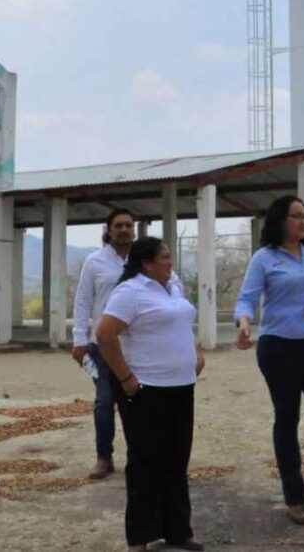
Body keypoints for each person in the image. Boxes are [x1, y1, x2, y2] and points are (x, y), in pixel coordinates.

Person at [234, 195, 304, 527]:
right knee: (286, 421)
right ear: (281, 220)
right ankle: (295, 498)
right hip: (278, 349)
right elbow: (246, 299)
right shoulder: (264, 258)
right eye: (296, 216)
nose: (303, 221)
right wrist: (243, 323)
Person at [96, 236, 205, 552]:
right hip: (147, 390)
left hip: (180, 388)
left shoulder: (171, 288)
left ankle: (177, 531)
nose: (171, 262)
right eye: (166, 257)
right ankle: (139, 538)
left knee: (176, 460)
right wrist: (126, 378)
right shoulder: (130, 292)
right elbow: (105, 334)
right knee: (145, 463)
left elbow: (181, 324)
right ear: (147, 263)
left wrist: (195, 353)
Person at [70, 208, 135, 480]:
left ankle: (138, 458)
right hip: (101, 344)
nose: (124, 230)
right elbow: (83, 301)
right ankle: (103, 457)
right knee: (104, 402)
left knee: (136, 404)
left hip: (134, 345)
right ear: (108, 231)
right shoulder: (94, 262)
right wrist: (79, 339)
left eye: (128, 226)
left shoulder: (142, 261)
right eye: (118, 225)